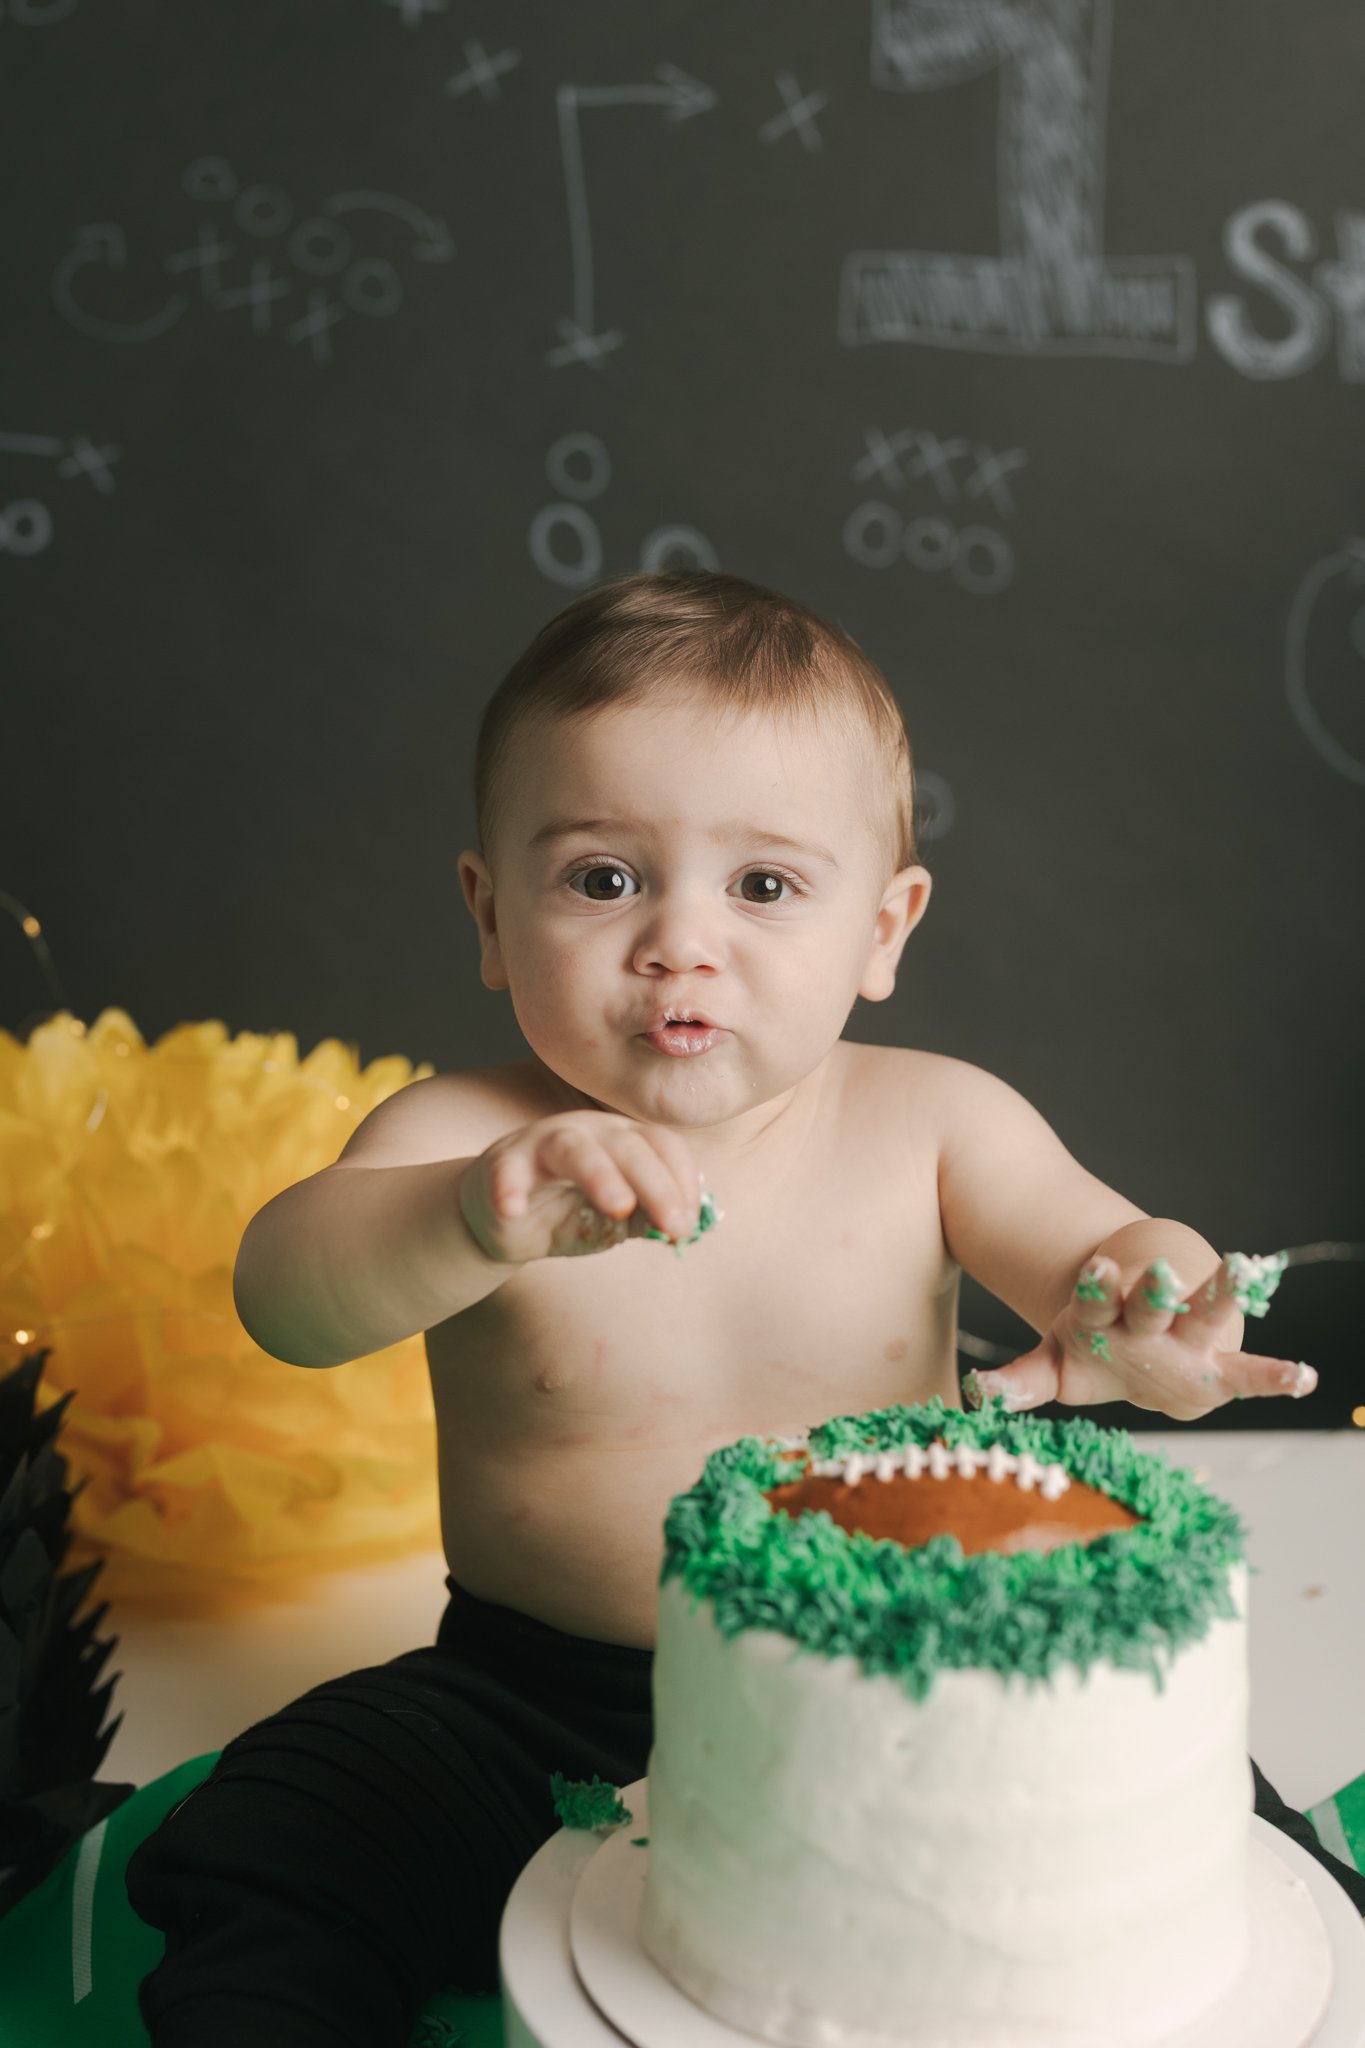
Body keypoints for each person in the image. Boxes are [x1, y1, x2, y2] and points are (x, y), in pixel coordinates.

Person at [125, 571, 1363, 2046]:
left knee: (1197, 1835)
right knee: (278, 1836)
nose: (678, 944)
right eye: (601, 878)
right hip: (532, 1700)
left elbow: (1094, 1252)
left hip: (901, 1687)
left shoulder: (933, 1122)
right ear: (488, 911)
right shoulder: (462, 1135)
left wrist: (1153, 1308)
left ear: (884, 927)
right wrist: (472, 1216)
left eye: (763, 886)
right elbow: (291, 1297)